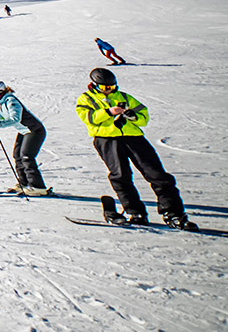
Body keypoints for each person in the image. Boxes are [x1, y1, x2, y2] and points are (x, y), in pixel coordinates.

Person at [76, 68, 196, 229]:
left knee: (157, 174)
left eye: (111, 87)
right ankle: (135, 211)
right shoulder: (86, 99)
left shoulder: (124, 97)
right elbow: (89, 118)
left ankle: (173, 213)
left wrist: (132, 116)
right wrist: (108, 112)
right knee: (120, 175)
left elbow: (143, 116)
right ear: (95, 85)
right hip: (107, 139)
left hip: (134, 138)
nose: (108, 90)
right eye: (104, 88)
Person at [0, 80, 50, 195]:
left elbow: (15, 119)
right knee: (17, 155)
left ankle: (38, 187)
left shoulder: (11, 101)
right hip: (24, 131)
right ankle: (24, 183)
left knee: (26, 156)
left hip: (34, 130)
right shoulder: (0, 103)